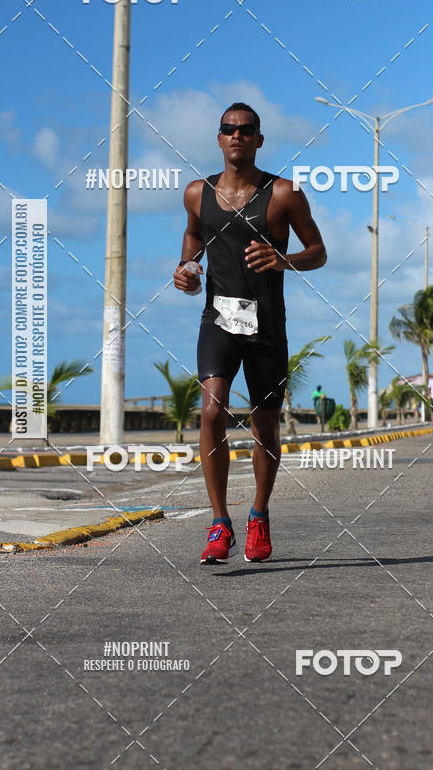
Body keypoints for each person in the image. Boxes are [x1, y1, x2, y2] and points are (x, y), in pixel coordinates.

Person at [173, 102, 327, 564]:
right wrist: (186, 268)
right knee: (211, 411)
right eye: (228, 129)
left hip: (267, 325)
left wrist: (284, 260)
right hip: (219, 319)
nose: (236, 135)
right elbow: (194, 236)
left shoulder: (284, 193)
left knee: (265, 426)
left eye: (246, 130)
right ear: (219, 138)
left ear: (259, 139)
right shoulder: (197, 193)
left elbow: (318, 251)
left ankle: (258, 515)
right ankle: (220, 523)